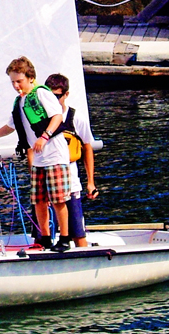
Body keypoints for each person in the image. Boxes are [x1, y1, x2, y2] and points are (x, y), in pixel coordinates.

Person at [0, 56, 72, 252]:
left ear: (30, 78)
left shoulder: (41, 94)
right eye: (12, 82)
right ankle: (44, 238)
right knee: (39, 200)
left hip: (54, 154)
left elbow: (57, 116)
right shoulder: (20, 102)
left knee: (58, 199)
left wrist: (44, 137)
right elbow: (10, 126)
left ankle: (65, 239)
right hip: (39, 159)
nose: (16, 85)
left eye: (19, 81)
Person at [45, 72, 99, 248]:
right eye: (49, 95)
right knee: (43, 235)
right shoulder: (40, 118)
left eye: (57, 96)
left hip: (70, 184)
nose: (53, 100)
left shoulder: (76, 118)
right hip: (47, 183)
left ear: (66, 94)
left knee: (78, 234)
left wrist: (90, 182)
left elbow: (87, 148)